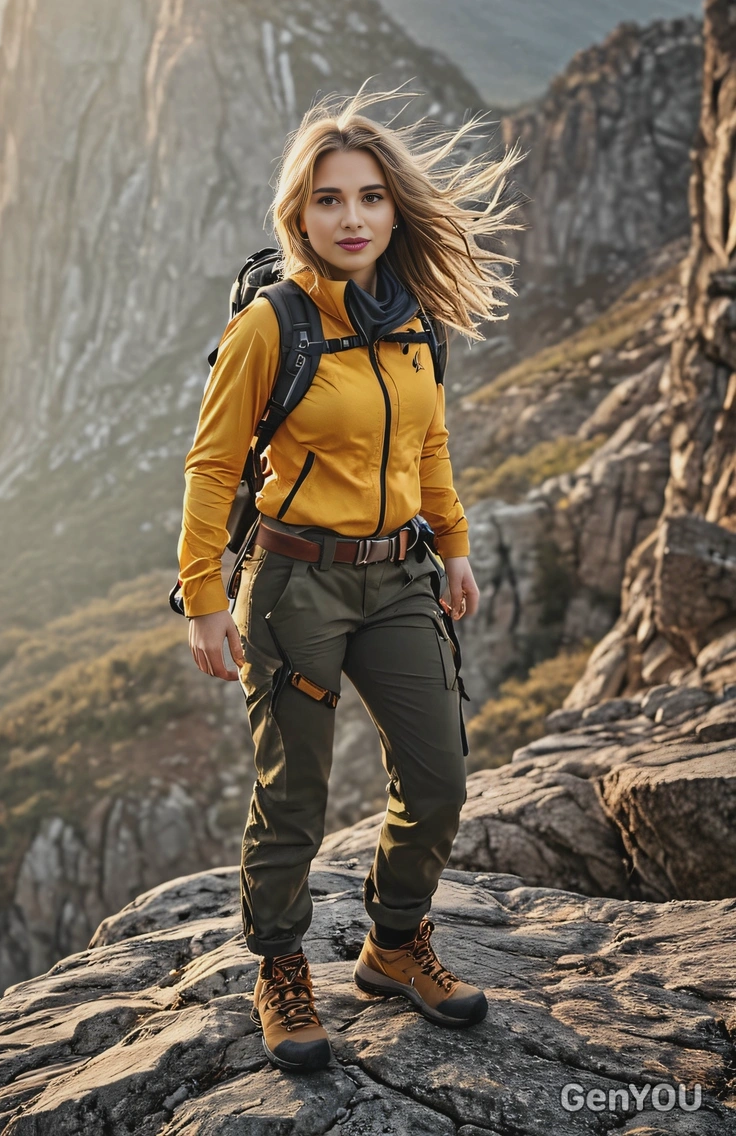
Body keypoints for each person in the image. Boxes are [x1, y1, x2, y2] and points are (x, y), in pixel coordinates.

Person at [177, 82, 524, 1073]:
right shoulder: (271, 326)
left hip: (398, 577)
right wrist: (205, 599)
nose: (353, 217)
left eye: (369, 197)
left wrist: (451, 542)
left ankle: (393, 942)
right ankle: (281, 969)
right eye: (330, 199)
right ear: (300, 213)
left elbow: (431, 441)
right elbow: (210, 466)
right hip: (296, 586)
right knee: (295, 792)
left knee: (440, 777)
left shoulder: (414, 320)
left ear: (392, 207)